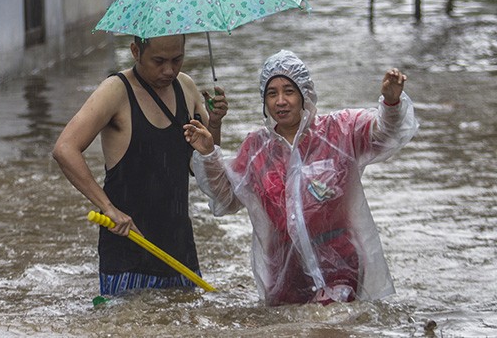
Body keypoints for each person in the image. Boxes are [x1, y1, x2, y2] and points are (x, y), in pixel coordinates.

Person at [184, 50, 419, 306]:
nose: (280, 101)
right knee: (289, 324)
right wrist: (208, 153)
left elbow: (385, 133)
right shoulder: (256, 148)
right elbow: (226, 197)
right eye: (272, 94)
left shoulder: (339, 131)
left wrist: (391, 104)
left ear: (304, 94)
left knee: (331, 320)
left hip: (340, 263)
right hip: (285, 269)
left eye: (289, 91)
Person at [52, 34, 227, 296]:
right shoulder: (115, 91)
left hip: (179, 250)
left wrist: (214, 124)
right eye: (159, 61)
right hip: (128, 250)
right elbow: (65, 148)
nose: (169, 70)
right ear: (135, 51)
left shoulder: (186, 87)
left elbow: (200, 168)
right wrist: (108, 208)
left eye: (177, 59)